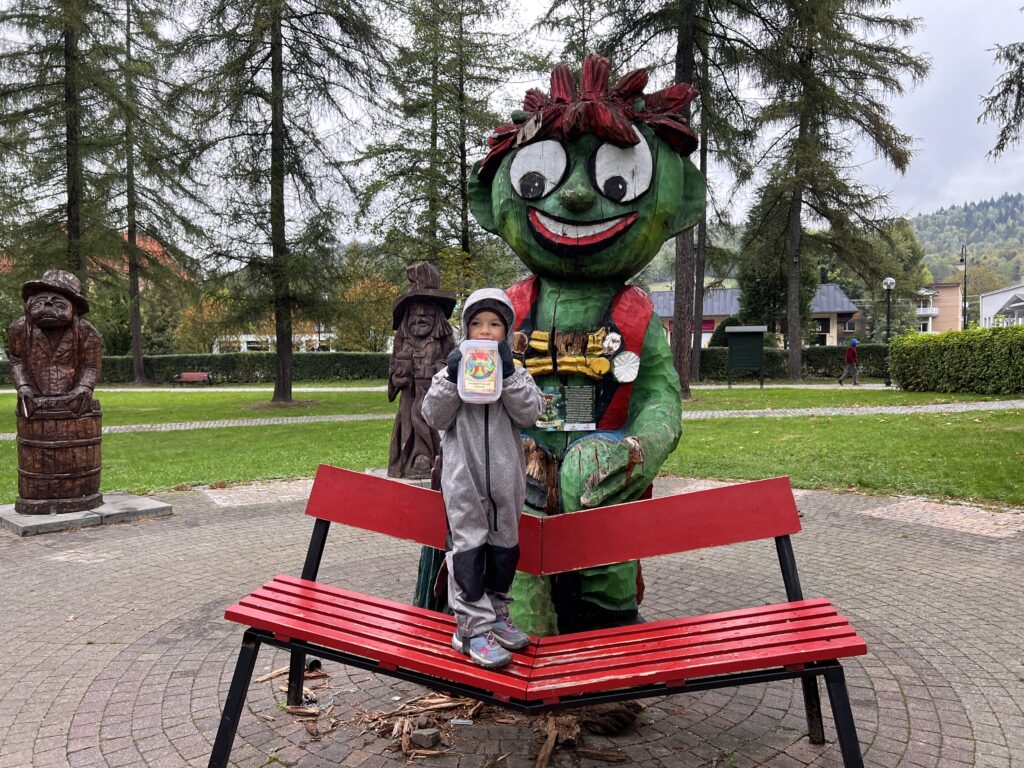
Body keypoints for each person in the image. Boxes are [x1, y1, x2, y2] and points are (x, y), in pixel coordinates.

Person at [421, 288, 544, 669]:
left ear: (507, 332)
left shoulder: (515, 372)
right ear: (465, 329)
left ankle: (496, 615)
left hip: (506, 482)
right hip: (464, 480)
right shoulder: (451, 370)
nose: (486, 332)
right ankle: (471, 629)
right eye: (477, 323)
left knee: (504, 548)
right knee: (469, 550)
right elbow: (433, 417)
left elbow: (530, 414)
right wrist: (452, 376)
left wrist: (508, 373)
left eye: (494, 324)